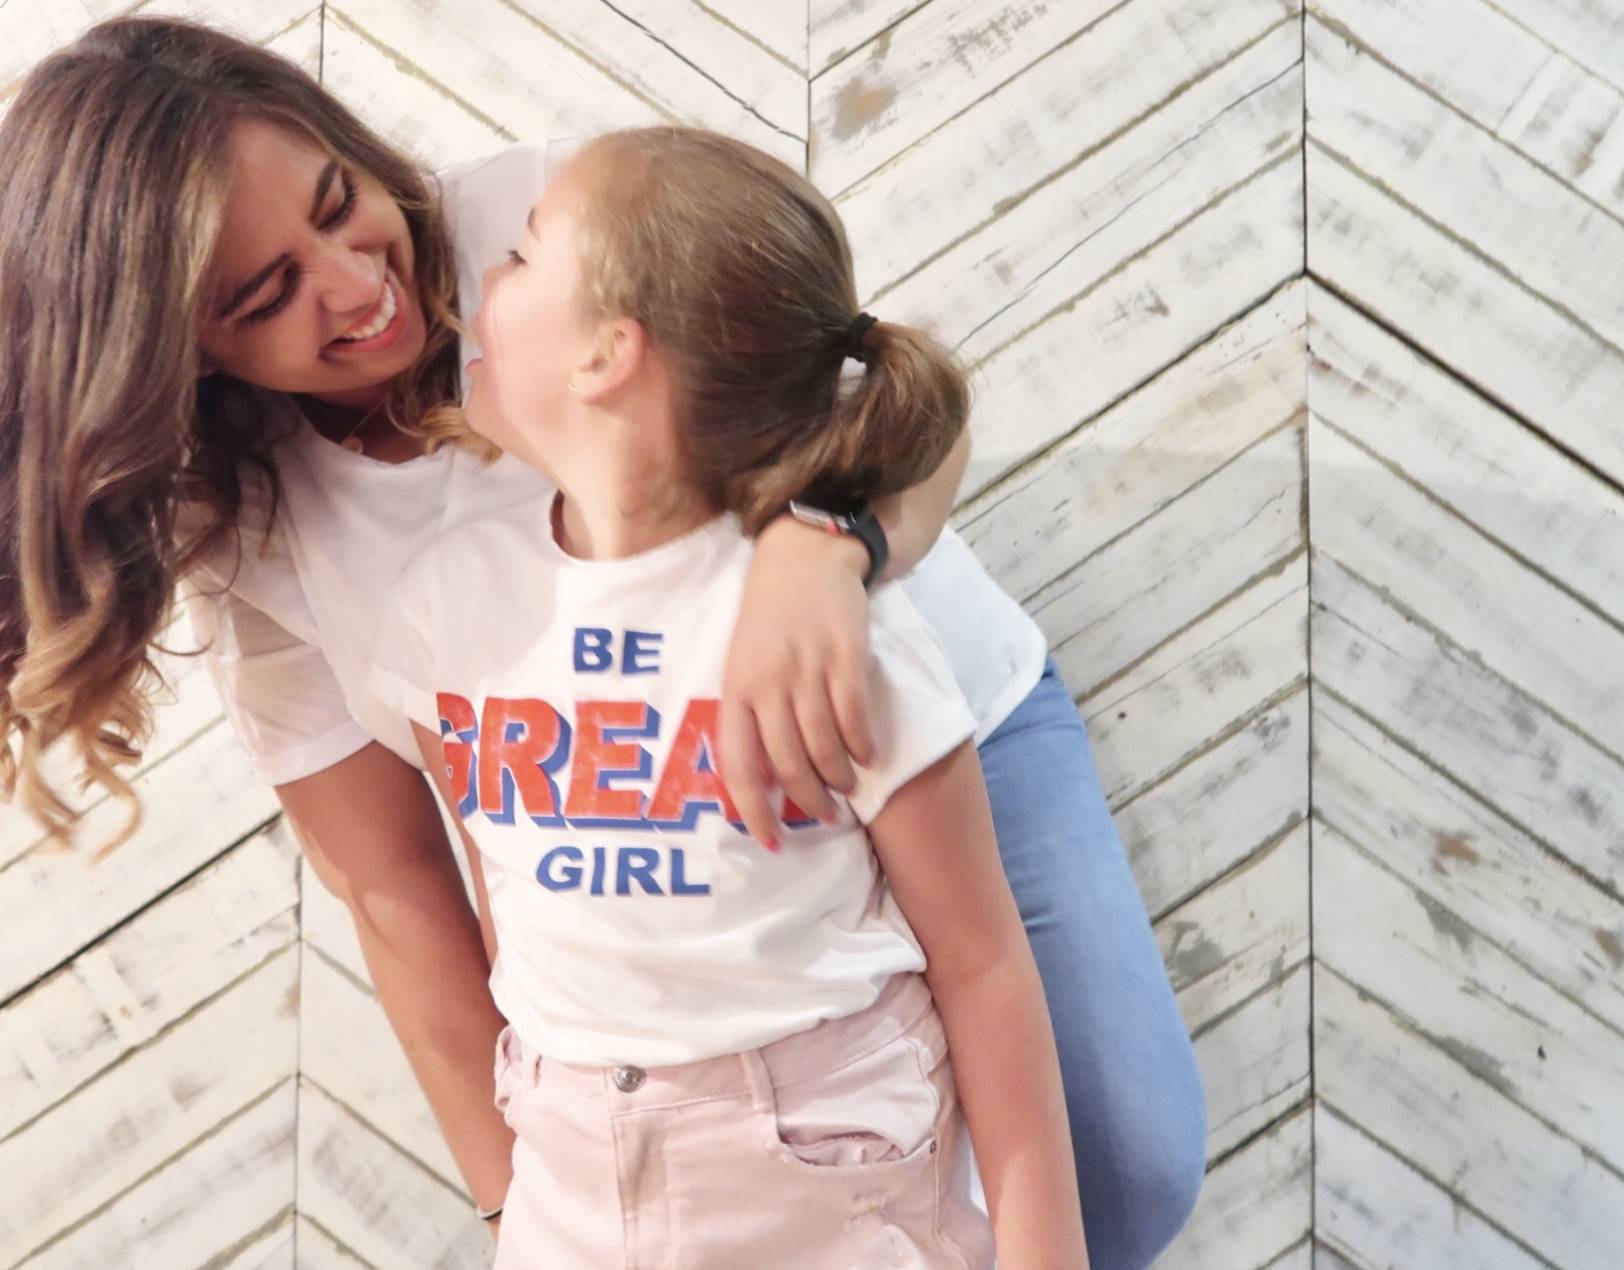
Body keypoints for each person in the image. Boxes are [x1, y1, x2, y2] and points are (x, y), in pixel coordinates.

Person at [0, 18, 1205, 1264]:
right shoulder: (260, 529)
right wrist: (519, 1207)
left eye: (337, 205)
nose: (362, 287)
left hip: (915, 745)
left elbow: (893, 396)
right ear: (181, 351)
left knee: (1118, 1163)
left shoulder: (557, 223)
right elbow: (403, 887)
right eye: (266, 294)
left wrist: (833, 544)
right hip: (657, 868)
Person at [370, 122, 1087, 1268]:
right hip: (570, 1168)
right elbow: (505, 899)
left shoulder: (831, 633)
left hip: (825, 1166)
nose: (481, 289)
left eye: (521, 258)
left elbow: (983, 961)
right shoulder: (443, 608)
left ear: (609, 352)